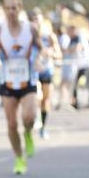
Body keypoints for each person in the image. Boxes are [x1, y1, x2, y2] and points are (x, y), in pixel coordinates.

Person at [0, 0, 41, 175]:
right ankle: (19, 158)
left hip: (27, 78)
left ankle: (29, 134)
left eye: (14, 8)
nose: (11, 12)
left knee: (29, 117)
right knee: (11, 124)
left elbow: (41, 47)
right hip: (7, 81)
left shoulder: (31, 28)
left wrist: (39, 59)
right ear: (3, 10)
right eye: (7, 8)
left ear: (20, 8)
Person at [31, 11, 59, 139]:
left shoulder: (49, 36)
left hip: (47, 70)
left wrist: (51, 52)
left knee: (45, 99)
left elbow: (58, 53)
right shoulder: (28, 36)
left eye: (38, 20)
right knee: (37, 95)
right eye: (34, 20)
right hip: (33, 71)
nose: (36, 22)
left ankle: (43, 127)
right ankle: (35, 118)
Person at [71, 26, 89, 109]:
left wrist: (69, 49)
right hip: (80, 65)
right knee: (75, 84)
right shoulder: (77, 39)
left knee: (88, 84)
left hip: (86, 65)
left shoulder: (81, 39)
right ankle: (75, 102)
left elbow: (78, 47)